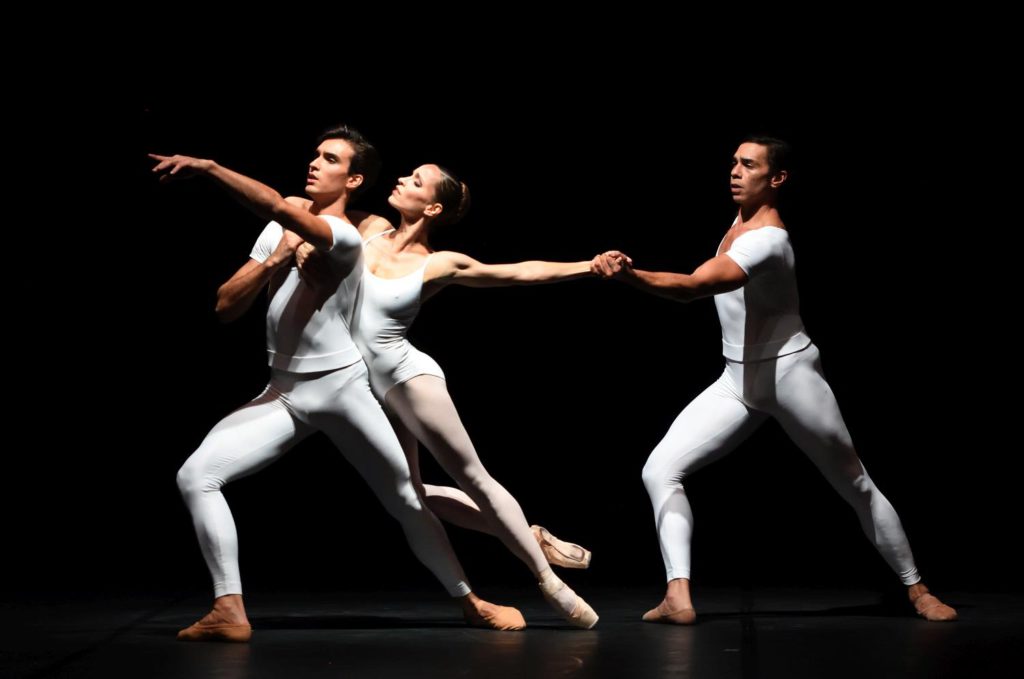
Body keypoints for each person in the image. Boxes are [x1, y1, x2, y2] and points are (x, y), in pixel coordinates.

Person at [149, 125, 526, 641]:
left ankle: (472, 601)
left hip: (341, 389)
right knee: (196, 477)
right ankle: (229, 609)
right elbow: (225, 305)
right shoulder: (281, 230)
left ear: (353, 180)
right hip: (283, 392)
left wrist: (211, 168)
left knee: (406, 499)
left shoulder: (347, 236)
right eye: (315, 155)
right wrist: (278, 257)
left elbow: (284, 211)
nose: (314, 163)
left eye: (329, 159)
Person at [590, 136, 957, 625]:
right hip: (738, 378)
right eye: (734, 163)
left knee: (856, 484)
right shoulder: (741, 222)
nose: (735, 172)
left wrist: (629, 276)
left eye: (749, 165)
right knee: (659, 470)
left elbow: (695, 288)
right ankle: (678, 594)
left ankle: (917, 590)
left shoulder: (769, 240)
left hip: (789, 374)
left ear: (777, 178)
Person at [297, 163, 599, 628]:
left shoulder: (437, 262)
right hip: (364, 387)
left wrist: (589, 266)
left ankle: (548, 580)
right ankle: (529, 535)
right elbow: (308, 215)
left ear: (433, 207)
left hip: (407, 378)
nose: (401, 180)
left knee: (474, 475)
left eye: (416, 182)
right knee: (410, 496)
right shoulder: (369, 230)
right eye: (407, 175)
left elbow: (518, 274)